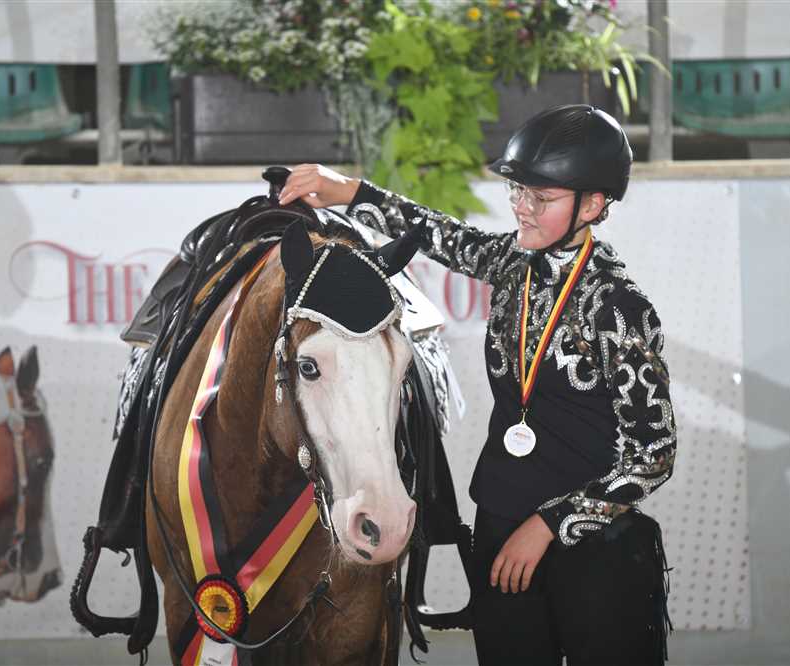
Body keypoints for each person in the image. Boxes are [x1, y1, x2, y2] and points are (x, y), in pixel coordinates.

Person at [279, 104, 675, 665]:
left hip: (592, 546)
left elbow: (654, 453)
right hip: (500, 523)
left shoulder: (620, 308)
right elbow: (441, 236)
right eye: (518, 191)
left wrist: (550, 525)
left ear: (593, 205)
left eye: (542, 198)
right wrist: (349, 192)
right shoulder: (514, 263)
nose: (522, 208)